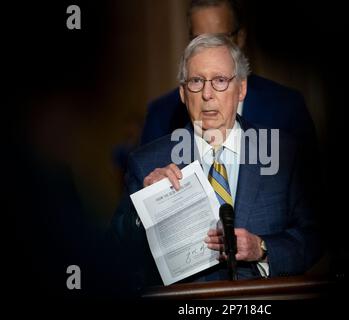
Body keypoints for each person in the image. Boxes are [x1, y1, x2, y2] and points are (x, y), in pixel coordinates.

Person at [109, 34, 322, 292]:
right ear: (183, 93)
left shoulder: (282, 152)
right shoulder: (147, 162)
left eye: (220, 81)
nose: (207, 94)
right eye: (197, 81)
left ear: (241, 88)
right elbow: (116, 250)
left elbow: (315, 236)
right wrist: (145, 206)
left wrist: (263, 248)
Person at [140, 0, 317, 152]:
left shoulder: (286, 108)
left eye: (220, 39)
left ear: (240, 38)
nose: (210, 50)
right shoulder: (162, 115)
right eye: (200, 40)